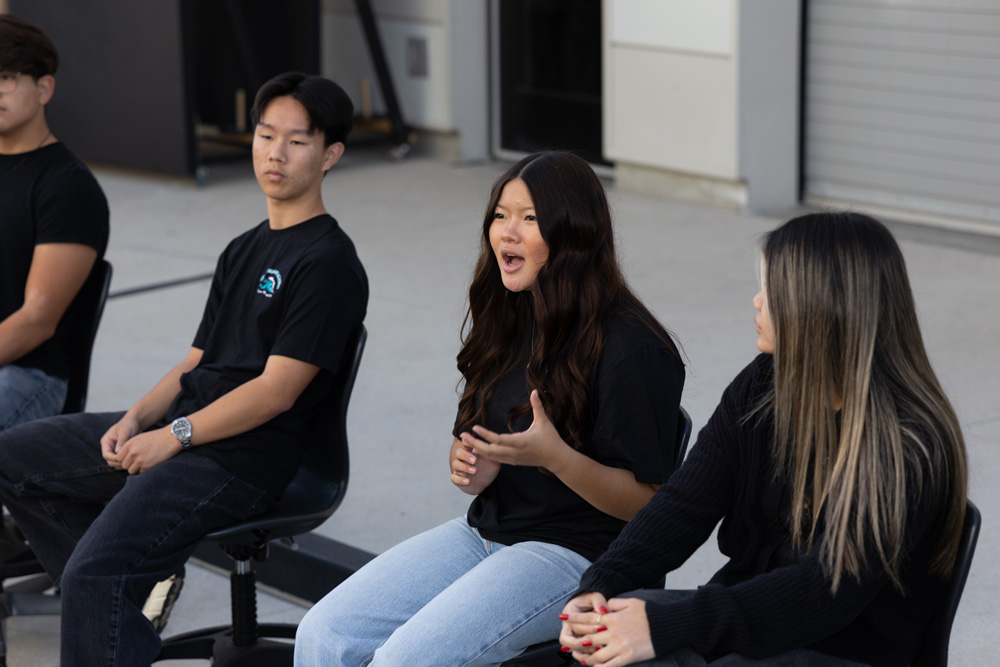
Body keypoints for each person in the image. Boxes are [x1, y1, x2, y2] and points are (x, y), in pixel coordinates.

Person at [0, 71, 368, 666]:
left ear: (330, 155)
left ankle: (111, 590)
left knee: (95, 574)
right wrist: (136, 418)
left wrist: (173, 435)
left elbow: (276, 391)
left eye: (297, 141)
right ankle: (125, 597)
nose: (275, 153)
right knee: (15, 458)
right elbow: (197, 361)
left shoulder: (327, 263)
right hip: (188, 427)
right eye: (266, 135)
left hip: (241, 458)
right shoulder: (244, 246)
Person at [294, 151, 685, 666]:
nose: (507, 232)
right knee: (324, 633)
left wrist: (557, 458)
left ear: (575, 232)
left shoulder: (632, 348)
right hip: (485, 532)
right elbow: (473, 442)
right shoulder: (512, 313)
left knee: (404, 661)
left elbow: (648, 506)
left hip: (580, 556)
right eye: (500, 215)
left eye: (529, 218)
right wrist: (470, 464)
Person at [558, 212, 969, 667]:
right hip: (752, 626)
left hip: (843, 651)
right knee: (602, 636)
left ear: (820, 306)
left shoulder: (907, 442)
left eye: (773, 291)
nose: (756, 301)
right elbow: (684, 505)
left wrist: (668, 625)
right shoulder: (765, 384)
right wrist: (601, 584)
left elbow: (826, 589)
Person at [0, 14, 109, 430]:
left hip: (29, 374)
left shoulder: (68, 187)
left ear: (44, 88)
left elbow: (37, 320)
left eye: (6, 77)